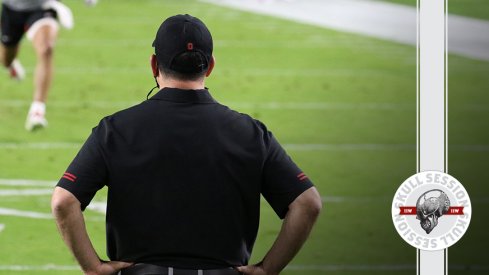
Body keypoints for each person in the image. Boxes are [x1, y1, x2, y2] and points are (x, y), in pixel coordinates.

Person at [51, 14, 322, 275]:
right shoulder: (251, 133)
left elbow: (64, 201)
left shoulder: (115, 130)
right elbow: (307, 203)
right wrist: (267, 268)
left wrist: (93, 267)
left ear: (154, 65)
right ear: (211, 66)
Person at [0, 0, 96, 131]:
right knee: (6, 59)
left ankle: (37, 110)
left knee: (46, 49)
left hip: (43, 7)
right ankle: (11, 65)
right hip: (12, 8)